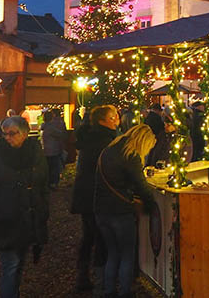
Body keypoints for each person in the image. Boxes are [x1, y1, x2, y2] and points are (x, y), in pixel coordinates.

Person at [0, 116, 49, 298]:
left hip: (29, 216)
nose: (8, 138)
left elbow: (43, 185)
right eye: (5, 134)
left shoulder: (36, 154)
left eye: (12, 134)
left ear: (25, 134)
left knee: (20, 263)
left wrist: (43, 211)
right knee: (11, 264)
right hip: (7, 217)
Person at [94, 124, 157, 298]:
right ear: (144, 141)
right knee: (127, 254)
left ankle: (109, 290)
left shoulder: (108, 150)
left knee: (113, 253)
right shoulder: (131, 155)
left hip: (101, 210)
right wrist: (151, 206)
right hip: (120, 212)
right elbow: (141, 186)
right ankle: (125, 292)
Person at [70, 105, 119, 292]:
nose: (117, 119)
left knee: (89, 236)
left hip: (85, 195)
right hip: (97, 195)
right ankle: (102, 281)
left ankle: (83, 275)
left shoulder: (89, 138)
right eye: (112, 116)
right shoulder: (104, 141)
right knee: (101, 237)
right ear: (101, 121)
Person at [41, 109, 67, 190]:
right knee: (54, 168)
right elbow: (61, 134)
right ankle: (53, 184)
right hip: (53, 150)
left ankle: (48, 183)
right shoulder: (51, 128)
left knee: (48, 168)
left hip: (46, 150)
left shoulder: (44, 127)